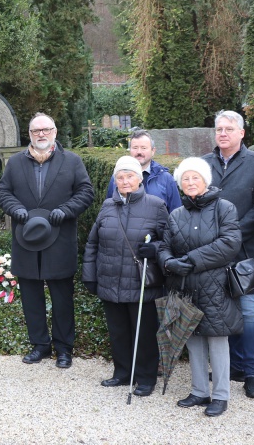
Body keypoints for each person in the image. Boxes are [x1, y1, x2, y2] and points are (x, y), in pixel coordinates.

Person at [0, 113, 94, 369]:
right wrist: (15, 208)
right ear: (29, 134)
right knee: (31, 299)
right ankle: (39, 345)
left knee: (62, 299)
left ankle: (64, 348)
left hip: (59, 240)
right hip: (26, 239)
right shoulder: (16, 162)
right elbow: (2, 192)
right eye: (36, 130)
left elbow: (85, 192)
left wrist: (67, 210)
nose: (41, 134)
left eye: (46, 129)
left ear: (55, 132)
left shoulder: (71, 161)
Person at [158, 157, 242, 417]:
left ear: (206, 180)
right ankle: (199, 391)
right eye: (185, 178)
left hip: (215, 285)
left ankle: (220, 395)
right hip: (185, 286)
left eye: (195, 177)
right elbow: (164, 246)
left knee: (217, 339)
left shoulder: (224, 208)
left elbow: (230, 243)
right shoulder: (176, 214)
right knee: (192, 338)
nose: (190, 182)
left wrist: (191, 260)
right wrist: (169, 262)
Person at [202, 110, 254, 399]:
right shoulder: (204, 163)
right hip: (212, 253)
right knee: (220, 311)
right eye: (219, 129)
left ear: (242, 133)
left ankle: (253, 372)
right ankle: (231, 367)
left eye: (229, 129)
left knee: (249, 312)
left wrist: (230, 234)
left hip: (245, 252)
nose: (223, 133)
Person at [82, 156, 168, 396]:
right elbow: (93, 243)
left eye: (129, 176)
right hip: (110, 279)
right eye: (120, 177)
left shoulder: (156, 205)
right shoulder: (107, 206)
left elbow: (170, 241)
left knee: (144, 333)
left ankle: (145, 378)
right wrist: (90, 276)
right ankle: (122, 372)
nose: (125, 181)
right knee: (118, 331)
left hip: (140, 282)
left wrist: (155, 248)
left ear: (139, 178)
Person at [106, 130, 182, 212]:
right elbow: (110, 209)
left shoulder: (166, 178)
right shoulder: (117, 177)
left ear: (153, 151)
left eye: (143, 148)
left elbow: (175, 213)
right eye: (135, 148)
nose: (139, 152)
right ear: (130, 150)